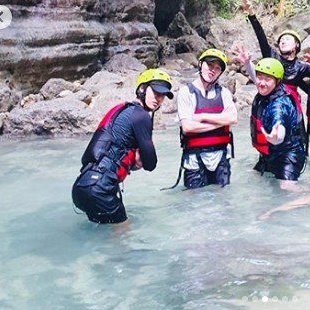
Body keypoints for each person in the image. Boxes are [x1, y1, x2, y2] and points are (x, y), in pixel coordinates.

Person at [72, 68, 172, 224]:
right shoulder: (141, 116)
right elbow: (151, 163)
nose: (159, 98)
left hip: (82, 186)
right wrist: (136, 159)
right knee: (123, 237)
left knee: (104, 239)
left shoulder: (123, 110)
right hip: (100, 188)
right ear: (142, 89)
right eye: (156, 92)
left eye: (163, 95)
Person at [240, 0, 310, 119]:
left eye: (287, 39)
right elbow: (261, 37)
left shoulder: (301, 67)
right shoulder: (273, 58)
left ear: (296, 45)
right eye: (281, 40)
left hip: (292, 110)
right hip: (270, 105)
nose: (283, 41)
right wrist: (252, 14)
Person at [176, 48, 238, 189]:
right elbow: (187, 128)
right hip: (194, 160)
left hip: (221, 158)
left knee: (223, 205)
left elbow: (233, 118)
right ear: (200, 64)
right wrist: (220, 122)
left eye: (217, 68)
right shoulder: (186, 93)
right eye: (209, 65)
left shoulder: (224, 93)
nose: (212, 70)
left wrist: (202, 117)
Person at [250, 57, 306, 188]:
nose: (261, 83)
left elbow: (279, 125)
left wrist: (275, 138)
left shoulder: (279, 105)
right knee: (255, 178)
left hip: (288, 156)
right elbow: (260, 80)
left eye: (267, 79)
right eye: (259, 77)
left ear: (277, 81)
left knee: (287, 189)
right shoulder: (266, 92)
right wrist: (247, 63)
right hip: (269, 154)